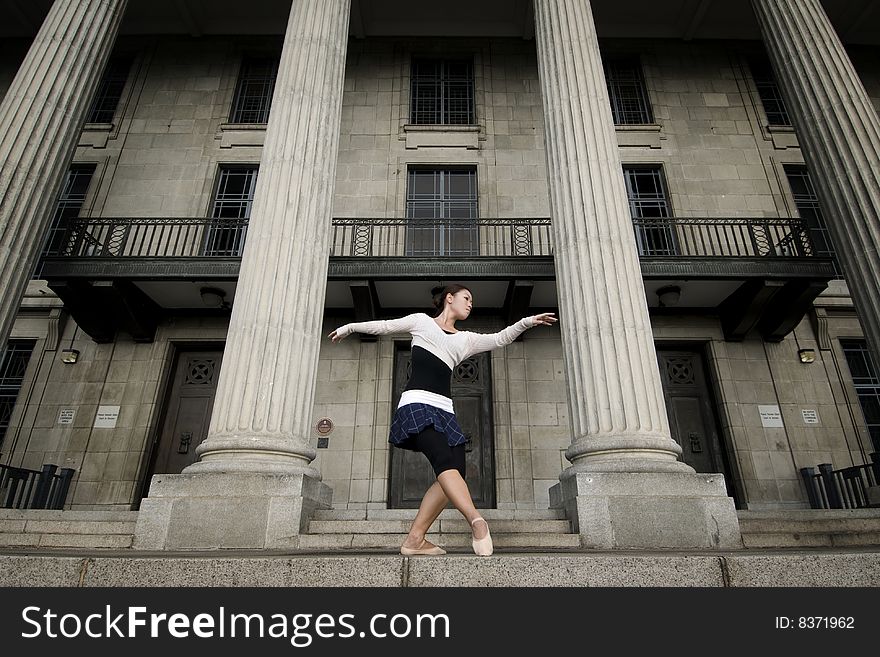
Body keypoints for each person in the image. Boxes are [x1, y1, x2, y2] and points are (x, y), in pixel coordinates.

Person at [329, 284, 557, 556]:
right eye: (466, 298)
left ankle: (414, 539)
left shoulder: (465, 340)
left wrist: (527, 321)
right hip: (416, 404)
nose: (471, 304)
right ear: (450, 298)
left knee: (455, 473)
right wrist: (350, 327)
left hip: (445, 411)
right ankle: (476, 520)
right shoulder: (421, 322)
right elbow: (385, 326)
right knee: (444, 462)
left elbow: (500, 338)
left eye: (472, 300)